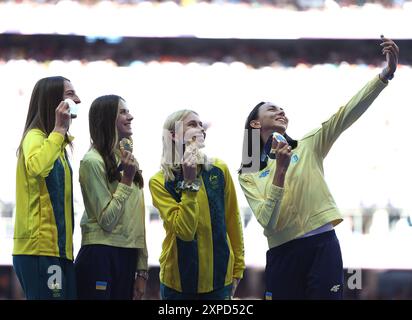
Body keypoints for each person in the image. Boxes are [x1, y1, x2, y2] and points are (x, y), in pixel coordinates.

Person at [238, 37, 399, 299]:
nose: (280, 111)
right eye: (271, 109)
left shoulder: (308, 145)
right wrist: (280, 170)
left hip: (323, 245)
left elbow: (346, 113)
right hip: (283, 253)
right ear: (255, 124)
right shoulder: (248, 172)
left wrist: (384, 76)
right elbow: (267, 220)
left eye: (282, 108)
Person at [149, 110, 245, 300]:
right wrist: (189, 183)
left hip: (220, 281)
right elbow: (185, 231)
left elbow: (232, 218)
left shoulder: (219, 169)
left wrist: (238, 268)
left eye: (201, 125)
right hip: (177, 285)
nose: (200, 128)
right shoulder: (159, 181)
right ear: (173, 135)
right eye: (192, 124)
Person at [13, 76, 81, 299]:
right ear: (53, 101)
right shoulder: (35, 137)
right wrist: (59, 130)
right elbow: (38, 167)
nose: (78, 100)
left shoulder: (57, 144)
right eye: (70, 95)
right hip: (39, 250)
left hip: (58, 250)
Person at [74, 95, 148, 300]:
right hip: (100, 254)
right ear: (107, 119)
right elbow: (107, 220)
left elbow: (138, 219)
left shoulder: (128, 160)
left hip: (128, 256)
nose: (130, 116)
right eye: (123, 112)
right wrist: (126, 181)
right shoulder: (92, 161)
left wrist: (142, 269)